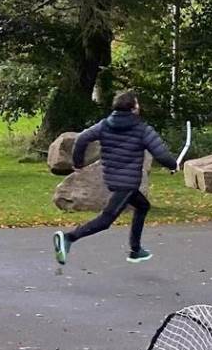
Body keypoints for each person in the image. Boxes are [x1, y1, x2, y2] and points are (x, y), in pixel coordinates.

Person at [52, 90, 180, 265]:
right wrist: (173, 165)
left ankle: (135, 250)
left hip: (113, 178)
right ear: (133, 108)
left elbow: (82, 138)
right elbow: (161, 154)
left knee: (142, 206)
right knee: (105, 220)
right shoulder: (141, 130)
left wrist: (78, 163)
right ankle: (68, 238)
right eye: (137, 103)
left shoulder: (105, 125)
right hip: (126, 183)